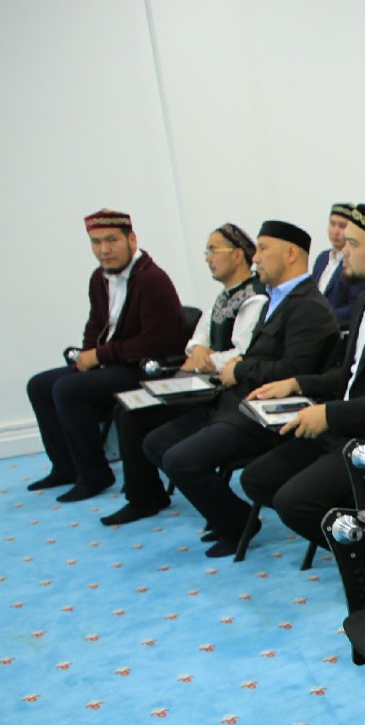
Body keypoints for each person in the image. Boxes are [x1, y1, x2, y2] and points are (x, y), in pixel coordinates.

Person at [239, 204, 365, 549]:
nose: (342, 251)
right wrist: (298, 384)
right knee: (257, 479)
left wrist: (329, 414)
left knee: (294, 502)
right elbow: (350, 376)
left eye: (353, 244)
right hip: (346, 426)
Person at [141, 221, 339, 554]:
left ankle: (235, 524)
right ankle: (226, 515)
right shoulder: (277, 298)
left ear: (291, 254)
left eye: (262, 249)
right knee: (155, 442)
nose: (255, 257)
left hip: (263, 415)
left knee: (180, 460)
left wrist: (240, 368)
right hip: (234, 402)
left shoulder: (308, 306)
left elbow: (294, 371)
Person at [100, 223, 266, 526]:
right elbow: (196, 339)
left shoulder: (256, 297)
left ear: (238, 254)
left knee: (136, 419)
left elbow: (243, 354)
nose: (207, 258)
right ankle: (144, 495)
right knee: (128, 410)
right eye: (206, 251)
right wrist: (200, 351)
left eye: (213, 250)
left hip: (223, 393)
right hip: (203, 382)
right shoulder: (224, 295)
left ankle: (147, 498)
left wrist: (206, 359)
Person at [25, 209, 185, 501]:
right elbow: (96, 325)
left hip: (144, 369)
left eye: (112, 240)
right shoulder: (99, 278)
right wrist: (85, 357)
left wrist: (99, 356)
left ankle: (95, 475)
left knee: (68, 389)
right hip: (113, 364)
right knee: (39, 385)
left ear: (131, 240)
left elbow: (156, 343)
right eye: (96, 242)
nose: (104, 250)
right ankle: (66, 467)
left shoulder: (152, 280)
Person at [309, 203, 365, 323]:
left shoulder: (355, 263)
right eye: (332, 224)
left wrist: (322, 317)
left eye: (342, 226)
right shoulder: (322, 258)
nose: (335, 231)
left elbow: (356, 306)